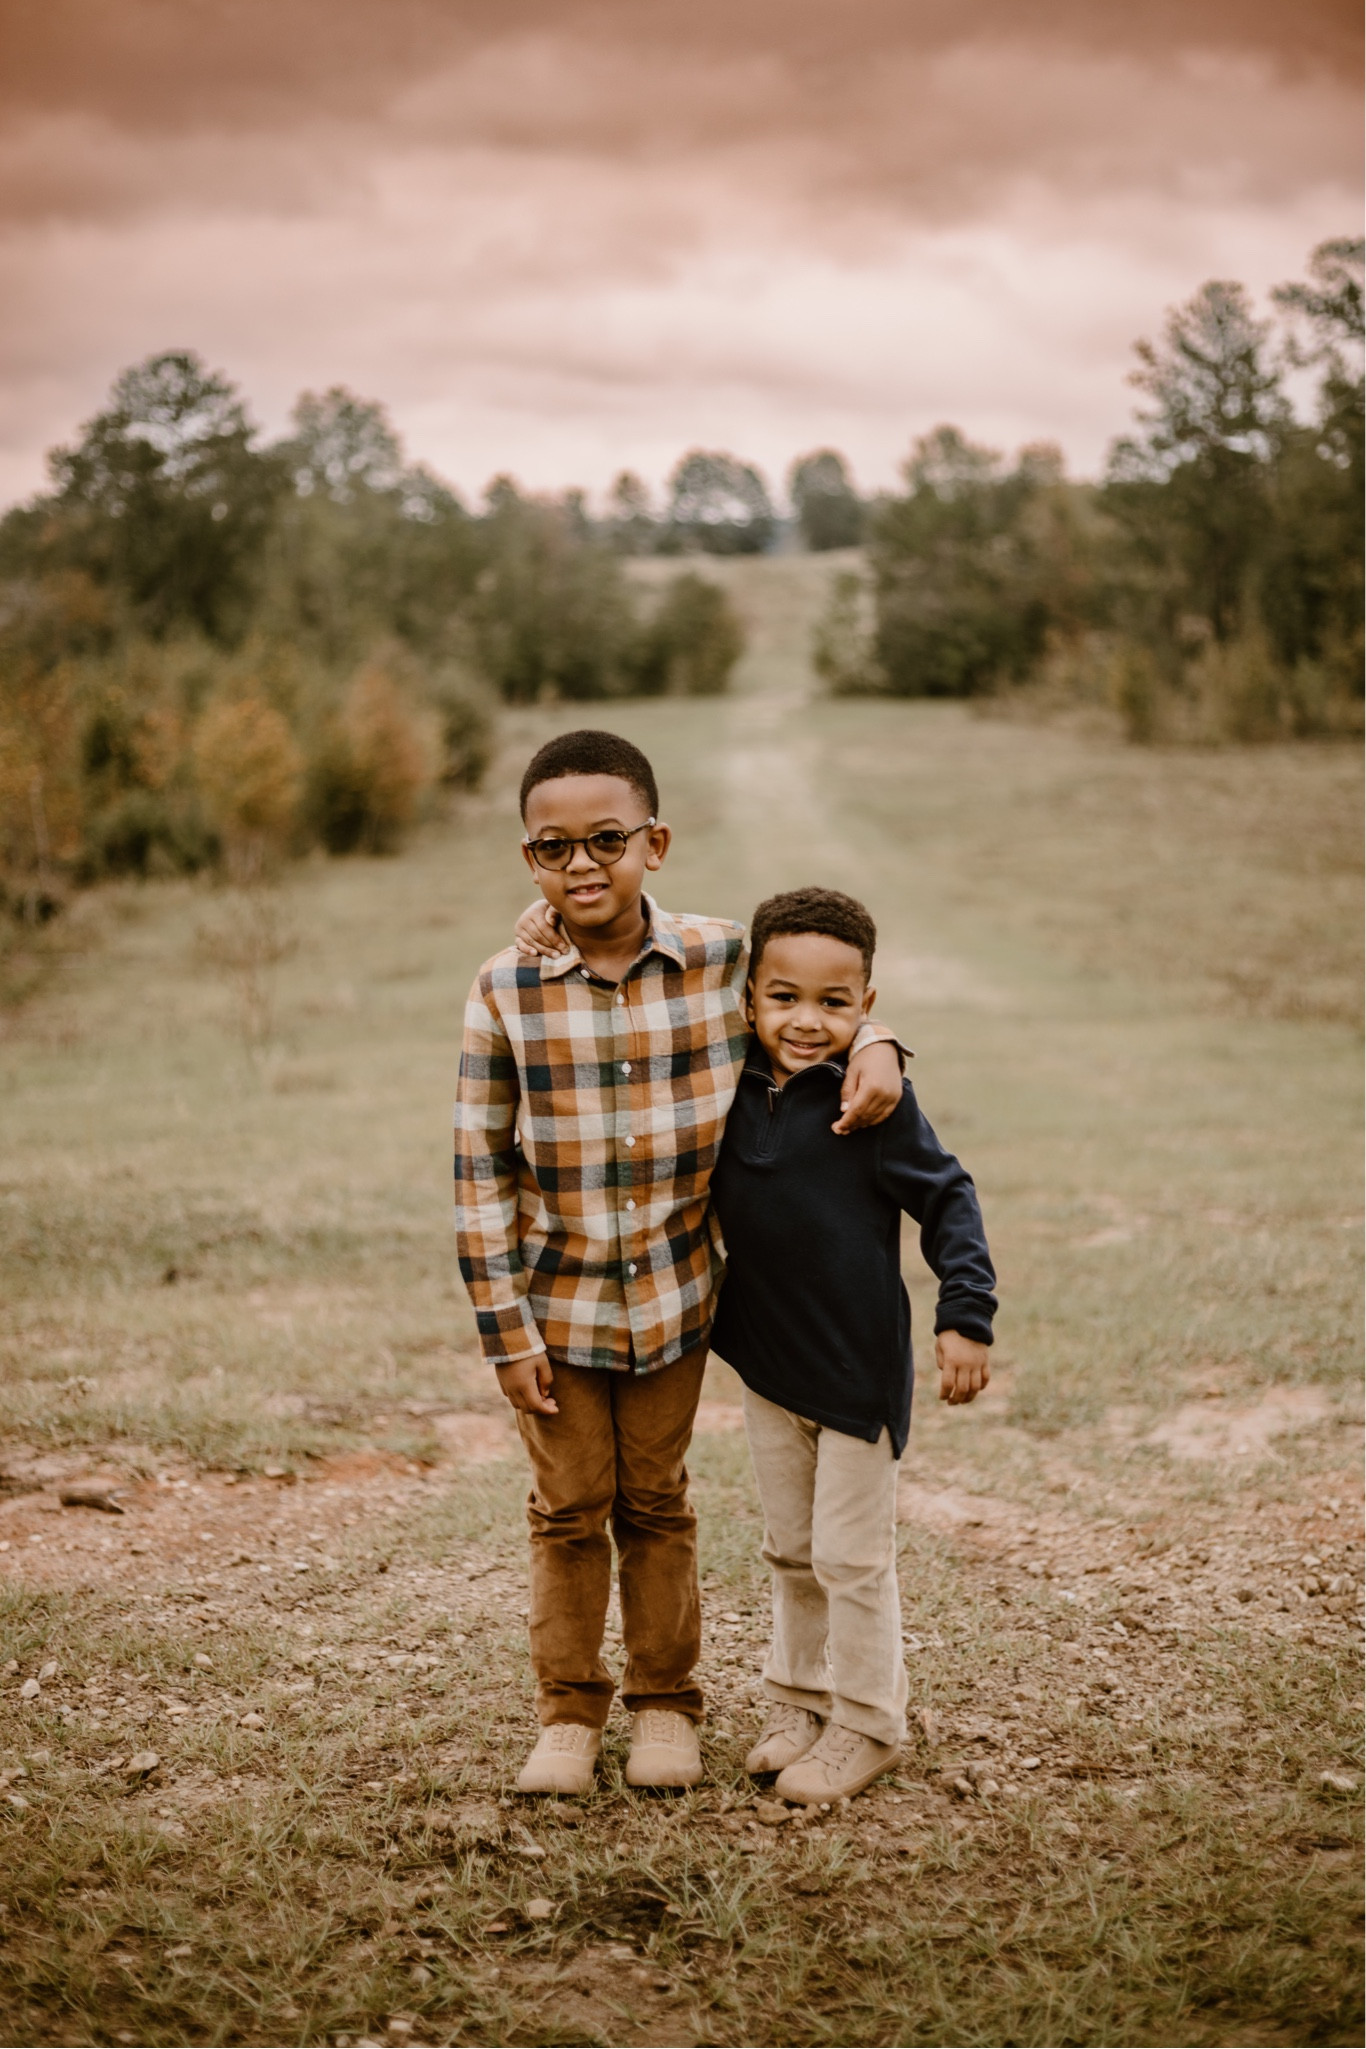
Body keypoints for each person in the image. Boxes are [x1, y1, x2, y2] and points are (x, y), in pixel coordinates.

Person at [454, 730, 906, 1797]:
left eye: (606, 839)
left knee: (656, 1503)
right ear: (529, 859)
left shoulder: (715, 960)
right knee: (566, 1512)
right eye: (552, 847)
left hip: (674, 1301)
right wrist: (503, 1331)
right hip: (553, 1312)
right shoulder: (504, 985)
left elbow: (820, 1002)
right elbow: (477, 1166)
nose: (580, 865)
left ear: (653, 842)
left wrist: (891, 1042)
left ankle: (666, 1705)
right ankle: (567, 1714)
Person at [708, 885, 998, 1805]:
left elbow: (949, 1196)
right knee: (790, 1551)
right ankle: (797, 1699)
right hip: (767, 1360)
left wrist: (966, 1311)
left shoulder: (872, 1103)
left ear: (867, 1005)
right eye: (783, 996)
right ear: (748, 996)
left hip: (857, 1369)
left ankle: (870, 1721)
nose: (806, 1020)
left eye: (835, 1004)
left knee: (850, 1557)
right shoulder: (724, 1081)